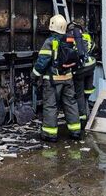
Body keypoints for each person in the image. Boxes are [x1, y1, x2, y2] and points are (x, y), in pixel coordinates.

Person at [32, 14, 82, 142]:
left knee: (51, 106)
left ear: (52, 26)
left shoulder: (50, 41)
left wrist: (34, 76)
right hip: (68, 78)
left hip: (53, 80)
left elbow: (42, 62)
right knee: (71, 104)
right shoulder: (70, 40)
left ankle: (50, 134)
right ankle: (75, 131)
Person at [67, 22, 96, 126]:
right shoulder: (87, 36)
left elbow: (69, 53)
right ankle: (87, 104)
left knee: (79, 94)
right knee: (87, 91)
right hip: (91, 66)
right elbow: (93, 47)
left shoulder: (70, 37)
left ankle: (82, 117)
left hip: (80, 69)